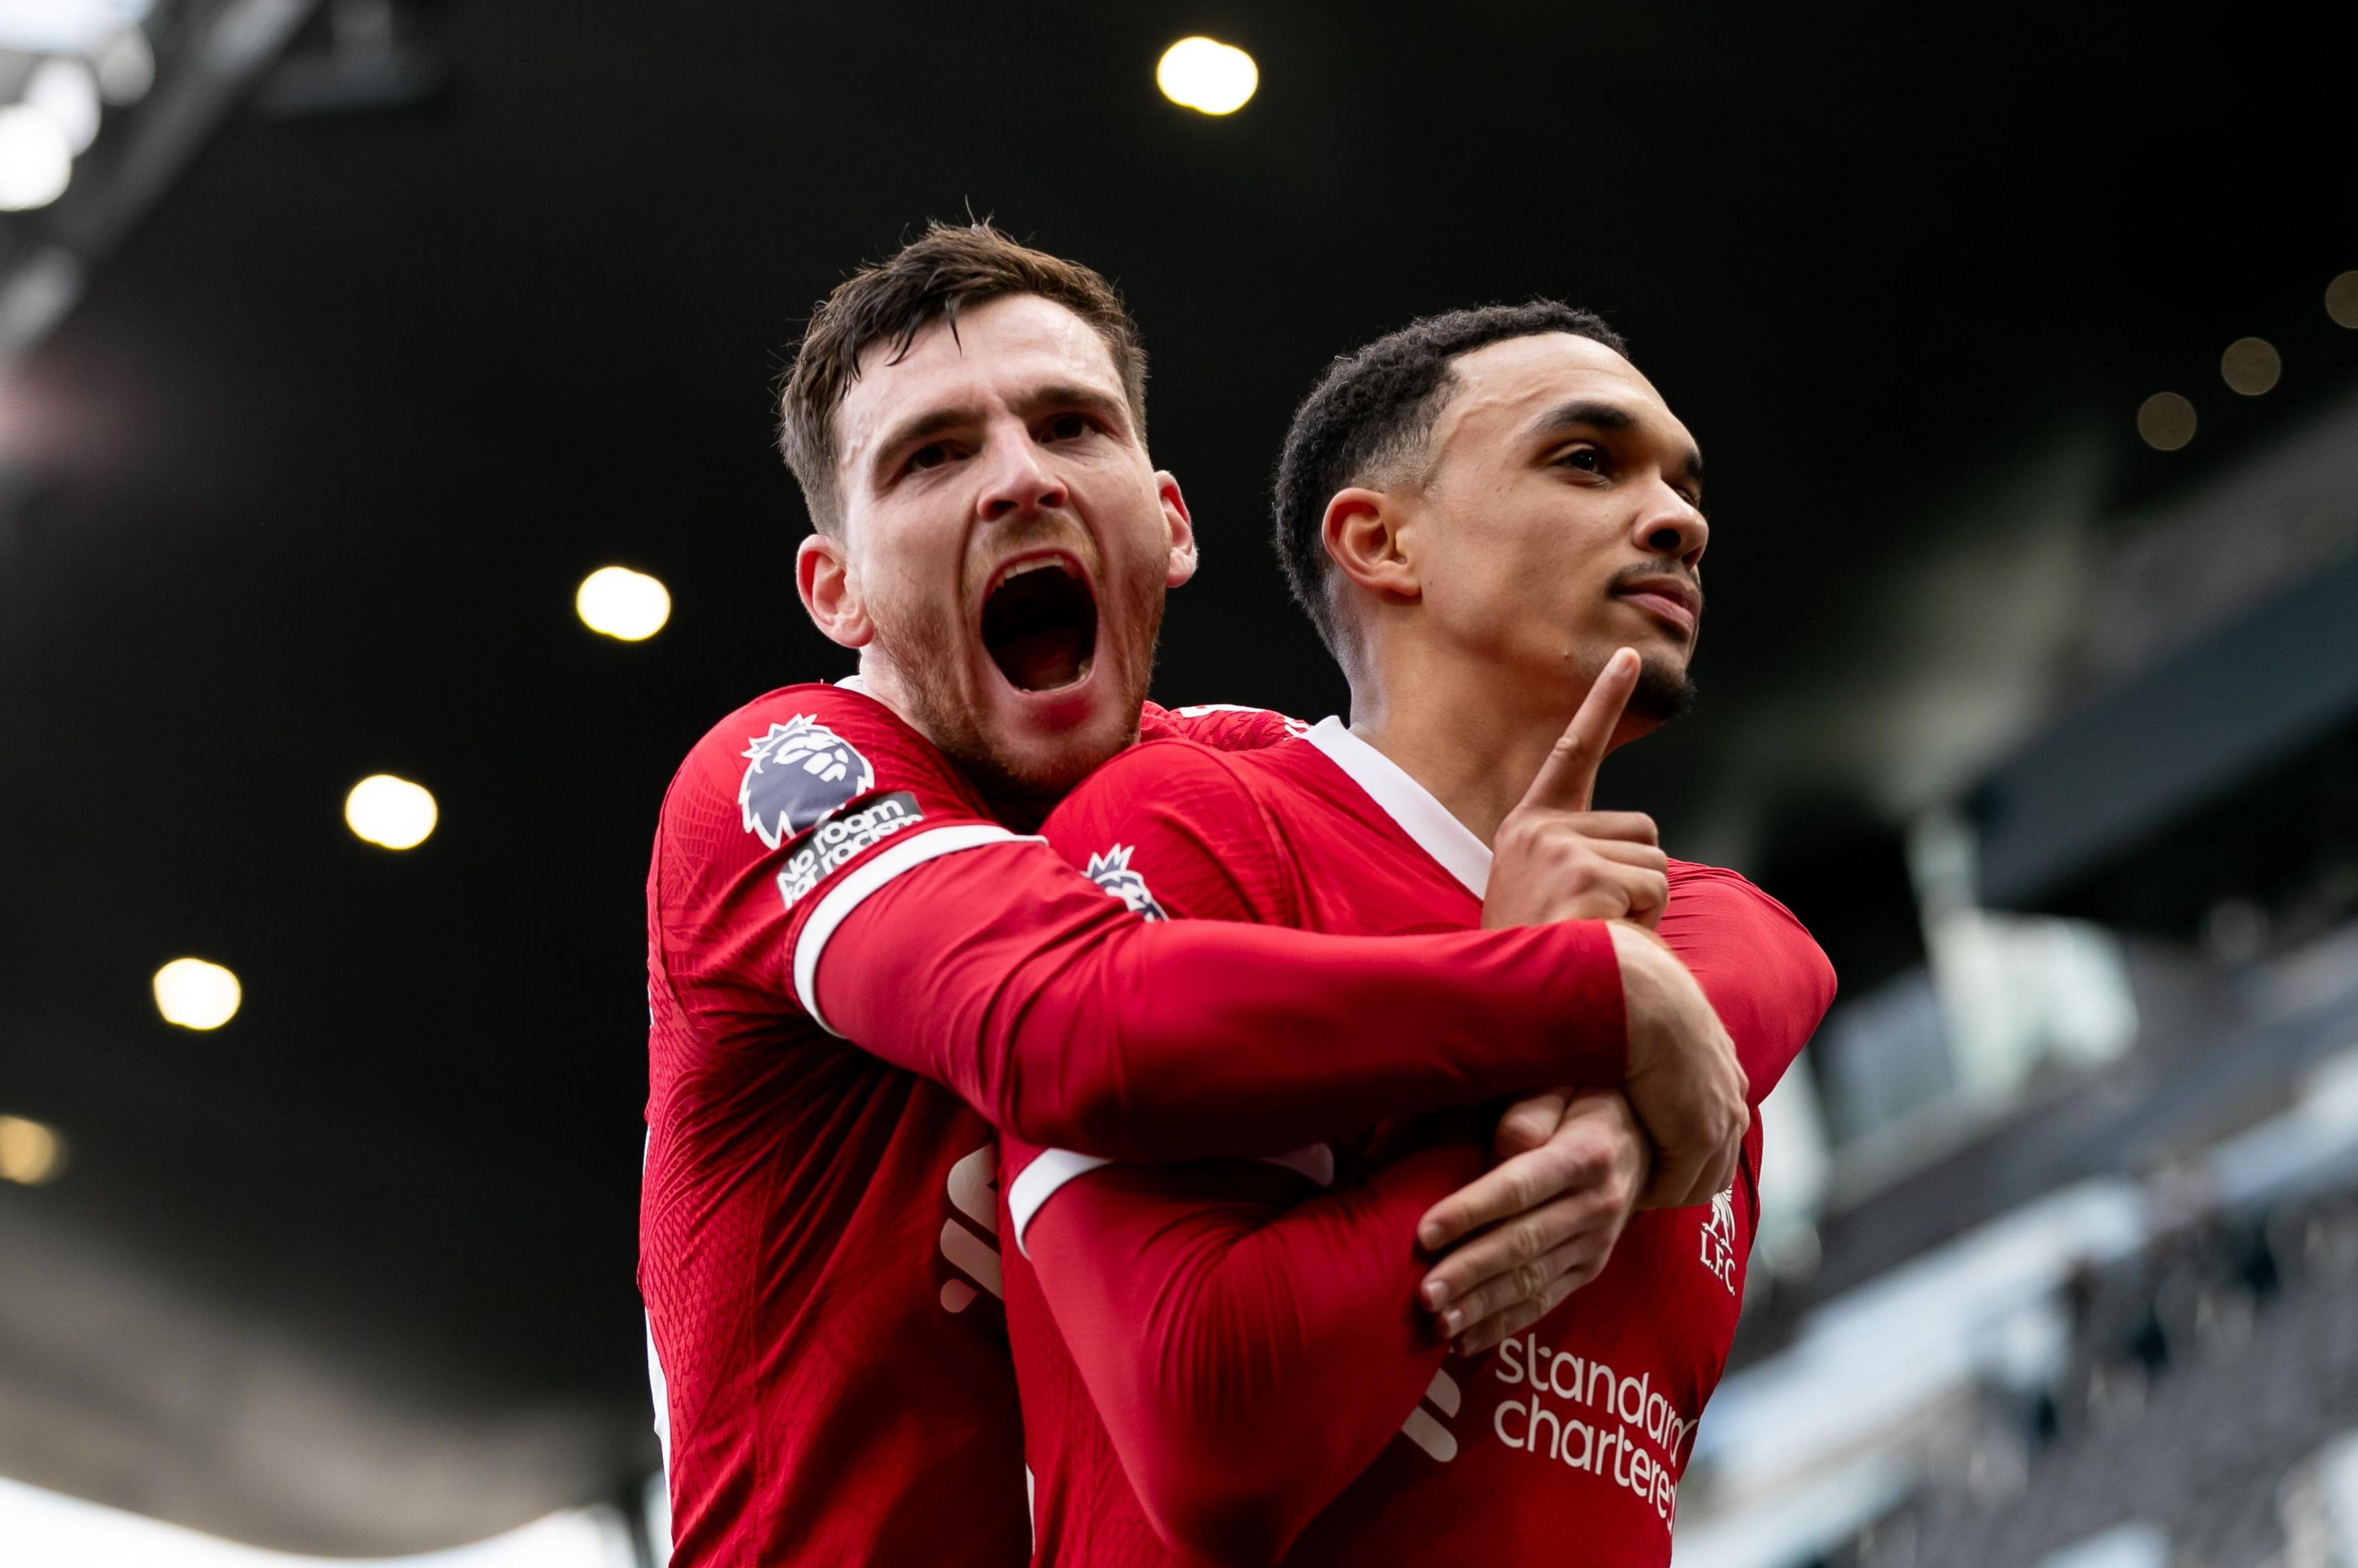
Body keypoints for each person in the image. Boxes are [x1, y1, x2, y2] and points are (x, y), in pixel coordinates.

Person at [640, 228, 1802, 1565]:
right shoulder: (784, 774)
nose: (1020, 480)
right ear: (833, 587)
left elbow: (1734, 923)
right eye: (934, 454)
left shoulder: (1223, 781)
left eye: (1070, 424)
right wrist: (1576, 995)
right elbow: (1078, 1021)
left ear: (1172, 522)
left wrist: (1620, 1054)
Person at [999, 301, 1835, 1565]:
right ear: (1381, 540)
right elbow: (1214, 1435)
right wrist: (1544, 1026)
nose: (1681, 517)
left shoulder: (1690, 981)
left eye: (1684, 480)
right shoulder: (1197, 822)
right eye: (1588, 459)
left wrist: (1603, 1042)